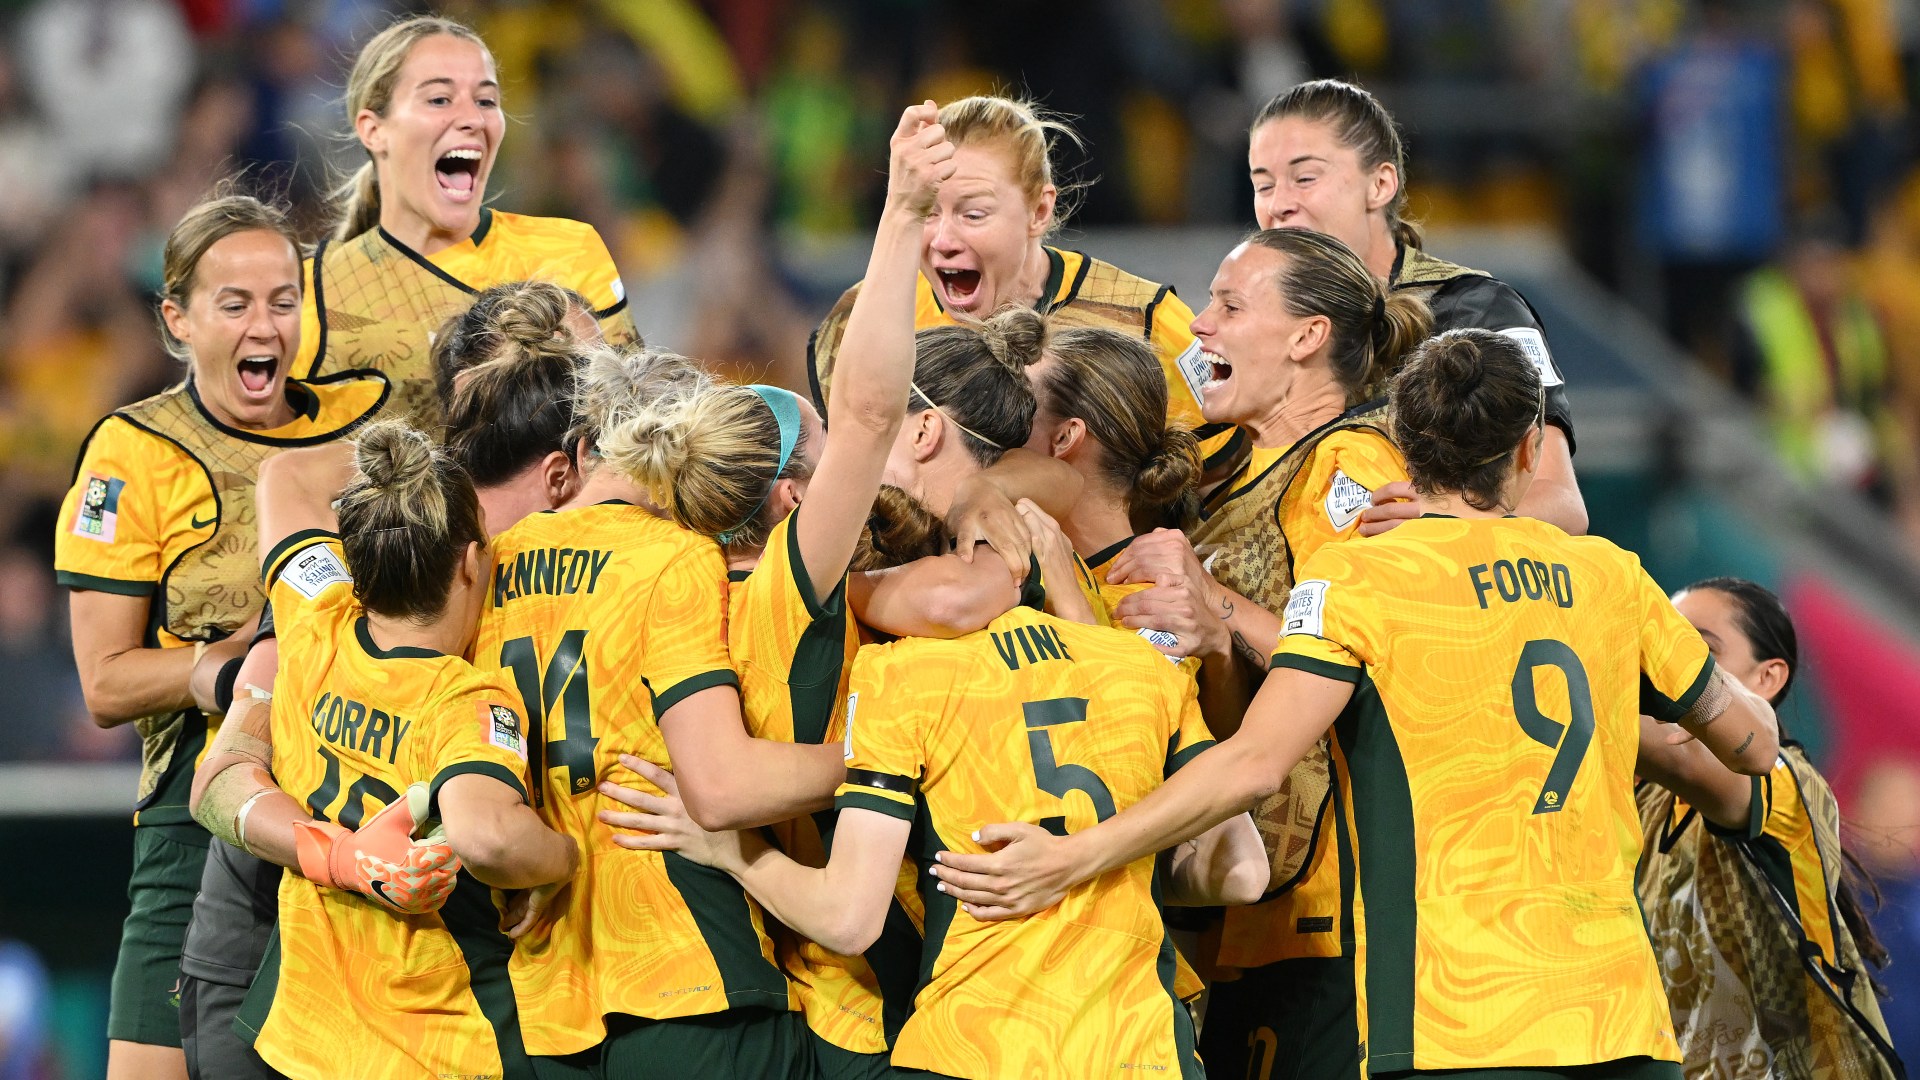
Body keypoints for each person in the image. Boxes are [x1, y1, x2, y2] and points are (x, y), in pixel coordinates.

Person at [930, 328, 1781, 1079]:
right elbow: (1749, 744)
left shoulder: (1359, 581)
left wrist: (1072, 857)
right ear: (1528, 449)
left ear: (1401, 450)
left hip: (1456, 1020)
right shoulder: (1612, 576)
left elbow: (1254, 763)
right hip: (1620, 1019)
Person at [182, 278, 605, 1080]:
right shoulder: (397, 540)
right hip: (280, 954)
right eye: (581, 369)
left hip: (402, 995)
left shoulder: (340, 595)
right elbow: (224, 774)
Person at [668, 557, 1265, 1079]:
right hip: (1141, 1047)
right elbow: (1241, 873)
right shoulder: (1144, 666)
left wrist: (732, 852)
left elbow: (849, 920)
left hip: (972, 1043)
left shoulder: (901, 673)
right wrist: (1119, 862)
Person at [1074, 228, 1428, 1080]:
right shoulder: (1218, 470)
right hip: (1238, 891)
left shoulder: (1350, 466)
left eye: (1231, 306)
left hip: (1331, 908)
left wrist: (1215, 602)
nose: (1199, 325)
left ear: (1308, 337)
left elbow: (1364, 658)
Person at [52, 193, 386, 1080]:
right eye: (233, 304)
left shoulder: (371, 426)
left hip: (363, 788)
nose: (264, 325)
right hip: (197, 817)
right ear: (178, 319)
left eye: (282, 300)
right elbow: (104, 683)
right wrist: (228, 667)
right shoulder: (132, 452)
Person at [470, 342, 852, 1076]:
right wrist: (898, 757)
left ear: (582, 450)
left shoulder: (490, 562)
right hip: (688, 955)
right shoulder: (678, 558)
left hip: (549, 983)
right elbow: (726, 785)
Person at [232, 421, 576, 1080]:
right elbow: (494, 839)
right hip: (435, 1051)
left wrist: (403, 472)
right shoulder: (471, 699)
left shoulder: (314, 619)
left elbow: (284, 476)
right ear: (473, 561)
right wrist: (560, 859)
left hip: (304, 1041)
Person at [807, 94, 1246, 478]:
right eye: (927, 211)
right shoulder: (862, 320)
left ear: (1039, 211)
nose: (942, 240)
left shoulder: (1145, 321)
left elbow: (1225, 486)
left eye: (973, 214)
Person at [1248, 78, 1588, 535]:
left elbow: (1562, 506)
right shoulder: (1249, 328)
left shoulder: (1479, 312)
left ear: (1381, 183)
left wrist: (1431, 522)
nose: (1279, 205)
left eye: (1305, 178)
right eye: (1263, 185)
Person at [292, 14, 638, 425]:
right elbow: (284, 468)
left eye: (486, 100)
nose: (473, 119)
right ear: (374, 130)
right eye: (439, 99)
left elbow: (631, 432)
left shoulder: (568, 249)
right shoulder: (311, 292)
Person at [1634, 577, 1906, 1078]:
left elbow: (1691, 763)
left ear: (1767, 679)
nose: (1668, 662)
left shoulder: (1785, 781)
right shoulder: (1644, 795)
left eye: (1697, 648)